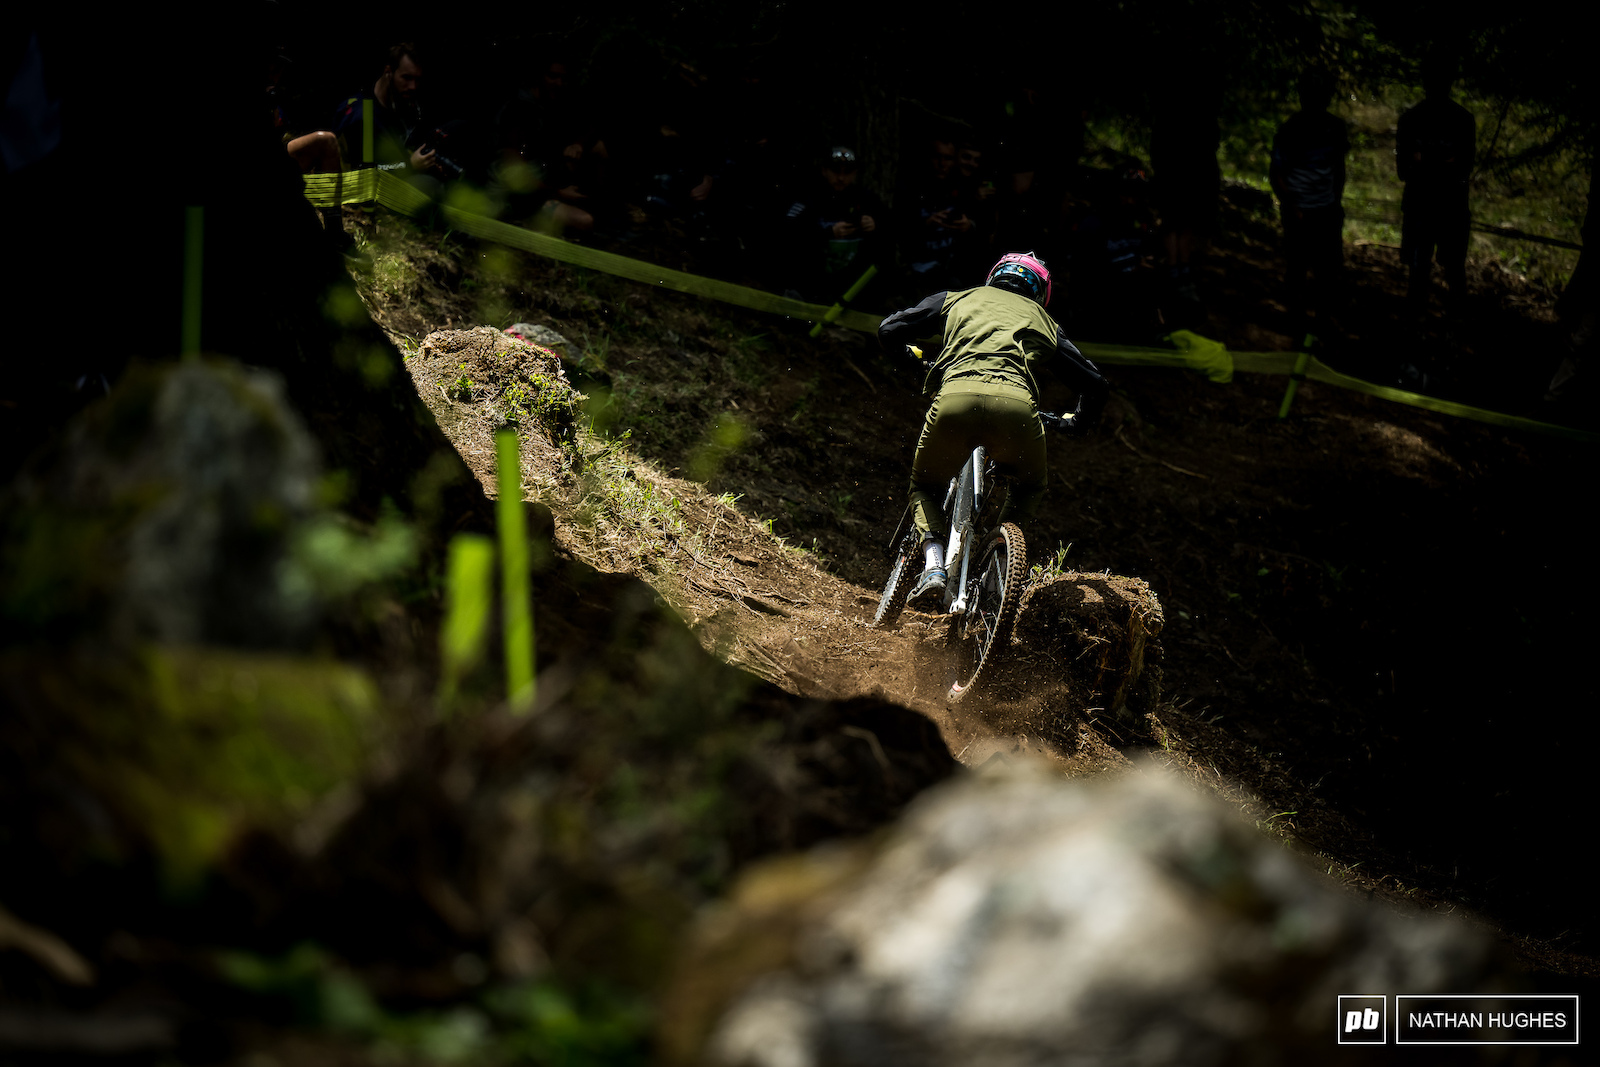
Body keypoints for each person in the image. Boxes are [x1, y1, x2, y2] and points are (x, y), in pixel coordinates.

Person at [877, 252, 1109, 603]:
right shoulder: (1045, 322)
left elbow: (889, 329)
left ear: (994, 276)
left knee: (925, 485)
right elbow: (1095, 384)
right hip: (1016, 410)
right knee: (1028, 488)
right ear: (1040, 293)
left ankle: (934, 566)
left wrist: (911, 362)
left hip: (955, 400)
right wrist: (1076, 423)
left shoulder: (956, 299)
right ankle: (995, 568)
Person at [1270, 69, 1349, 334]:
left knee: (1323, 268)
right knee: (1300, 266)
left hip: (1321, 209)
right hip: (1302, 210)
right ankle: (1299, 321)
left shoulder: (1333, 128)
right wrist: (1294, 206)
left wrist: (1333, 204)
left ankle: (1319, 322)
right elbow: (1277, 174)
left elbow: (1338, 170)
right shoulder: (1291, 129)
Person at [1396, 55, 1475, 317]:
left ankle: (1420, 325)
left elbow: (1405, 169)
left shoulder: (1411, 119)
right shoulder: (1463, 119)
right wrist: (1444, 162)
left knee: (1424, 273)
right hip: (1445, 206)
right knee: (1449, 273)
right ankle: (1446, 328)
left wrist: (1424, 161)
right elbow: (1461, 167)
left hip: (1429, 205)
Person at [778, 145, 886, 301]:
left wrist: (875, 224)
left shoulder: (866, 199)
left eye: (847, 173)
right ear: (824, 171)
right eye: (836, 172)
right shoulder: (808, 196)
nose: (841, 178)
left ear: (855, 174)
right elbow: (788, 232)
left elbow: (889, 228)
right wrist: (827, 233)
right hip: (811, 276)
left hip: (850, 281)